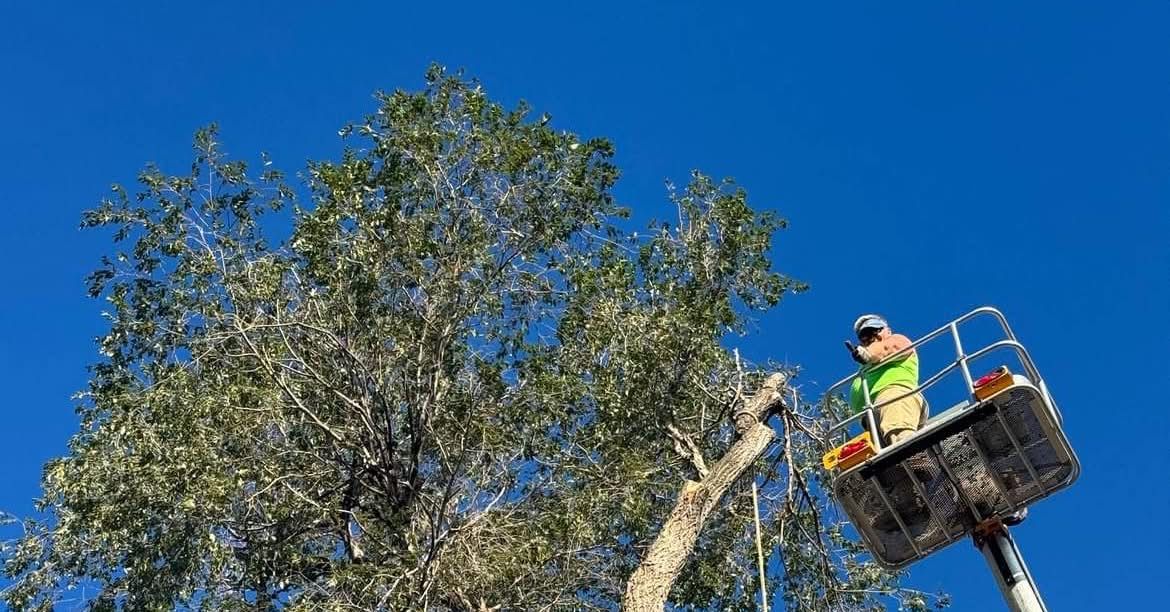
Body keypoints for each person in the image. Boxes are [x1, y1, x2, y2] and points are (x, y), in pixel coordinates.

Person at [846, 314, 927, 446]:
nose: (872, 337)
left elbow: (888, 348)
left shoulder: (897, 340)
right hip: (872, 419)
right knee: (888, 460)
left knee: (902, 442)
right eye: (865, 336)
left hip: (894, 400)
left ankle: (919, 462)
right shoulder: (865, 367)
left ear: (887, 331)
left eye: (876, 331)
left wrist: (868, 354)